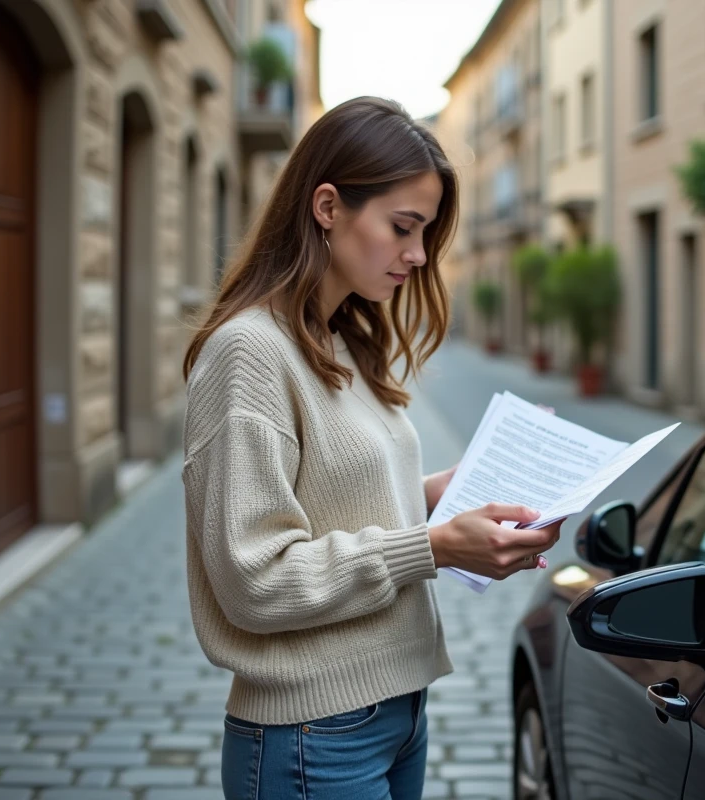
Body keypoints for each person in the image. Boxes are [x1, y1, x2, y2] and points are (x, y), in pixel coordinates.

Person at [180, 97, 564, 800]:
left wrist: (438, 492)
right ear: (328, 206)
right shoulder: (250, 354)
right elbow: (253, 577)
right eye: (403, 228)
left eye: (424, 234)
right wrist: (436, 546)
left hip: (395, 712)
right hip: (312, 733)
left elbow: (328, 501)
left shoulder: (342, 340)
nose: (418, 257)